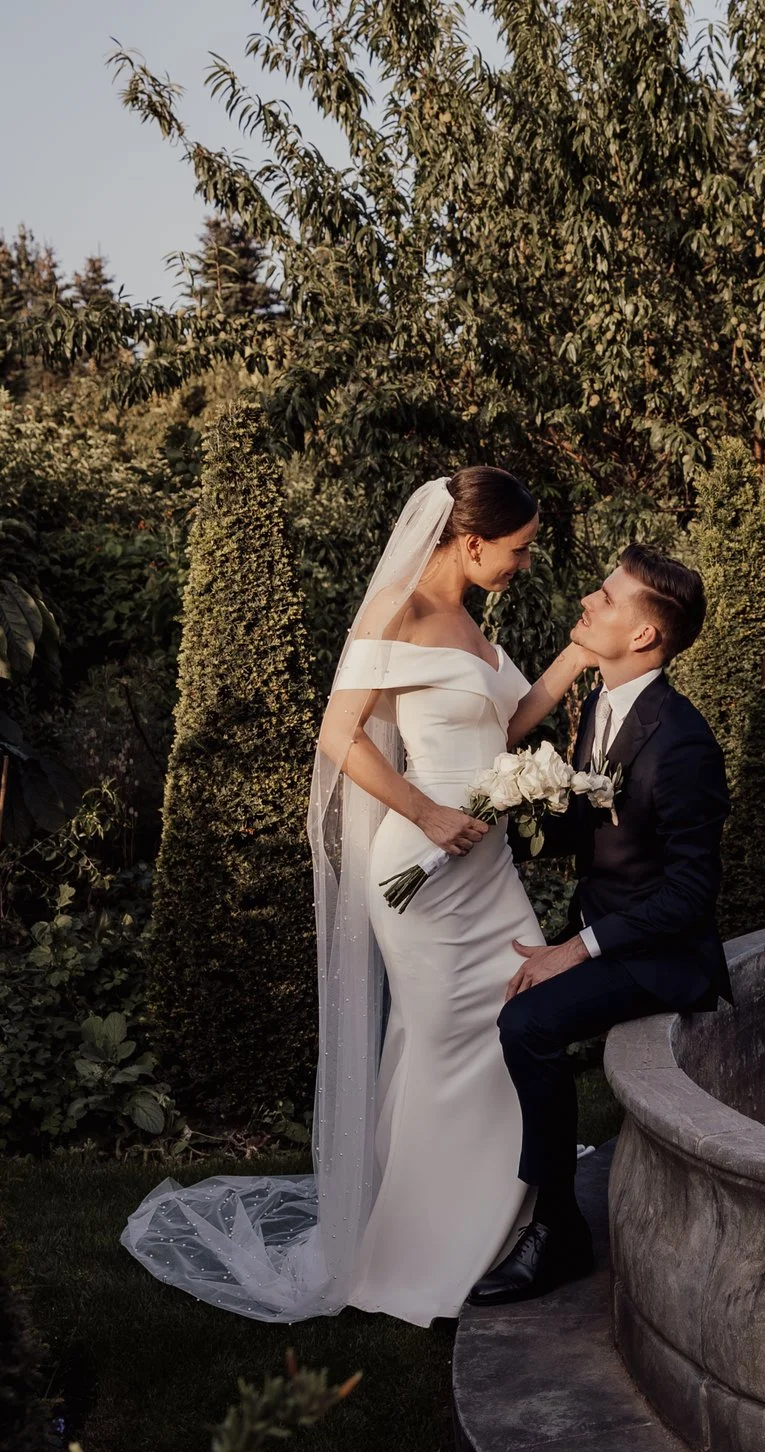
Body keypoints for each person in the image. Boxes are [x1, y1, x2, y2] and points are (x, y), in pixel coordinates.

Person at [121, 468, 599, 1325]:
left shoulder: (470, 622)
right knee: (455, 1045)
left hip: (486, 873)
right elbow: (339, 736)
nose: (524, 563)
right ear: (470, 540)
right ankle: (423, 1254)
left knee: (519, 1023)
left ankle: (508, 1217)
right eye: (518, 549)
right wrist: (426, 810)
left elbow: (509, 726)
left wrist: (578, 654)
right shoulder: (396, 614)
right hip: (421, 866)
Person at [468, 544, 731, 1306]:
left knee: (528, 1022)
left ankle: (557, 1228)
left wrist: (575, 949)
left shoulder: (683, 741)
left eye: (608, 598)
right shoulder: (600, 709)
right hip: (607, 929)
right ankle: (487, 1196)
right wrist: (516, 803)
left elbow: (690, 894)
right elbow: (593, 832)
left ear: (646, 635)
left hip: (666, 956)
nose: (589, 600)